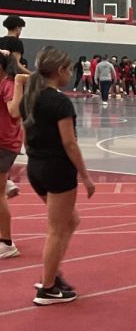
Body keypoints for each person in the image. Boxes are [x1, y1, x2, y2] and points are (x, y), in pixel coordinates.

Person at [20, 48, 95, 303]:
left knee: (70, 221)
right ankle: (48, 287)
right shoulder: (59, 102)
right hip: (57, 169)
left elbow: (24, 133)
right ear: (60, 71)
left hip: (36, 168)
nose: (71, 73)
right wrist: (85, 176)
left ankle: (52, 273)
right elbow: (69, 143)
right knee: (56, 229)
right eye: (69, 69)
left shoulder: (29, 98)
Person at [0, 50, 24, 259]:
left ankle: (6, 243)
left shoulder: (7, 84)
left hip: (4, 144)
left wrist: (18, 81)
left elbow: (15, 112)